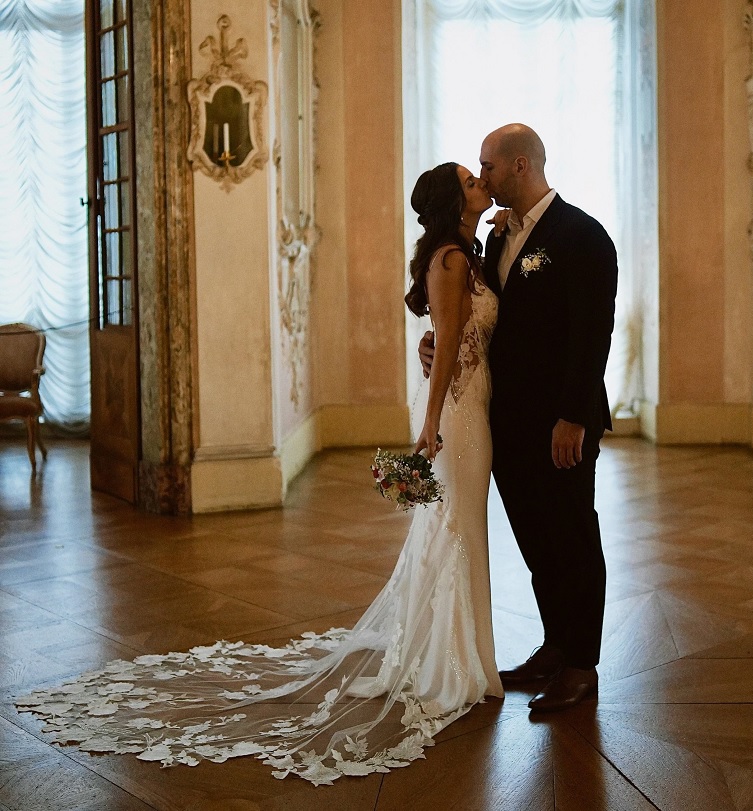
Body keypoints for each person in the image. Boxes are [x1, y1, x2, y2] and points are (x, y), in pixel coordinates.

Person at [16, 162, 503, 787]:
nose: (480, 183)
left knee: (456, 525)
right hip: (457, 413)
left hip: (471, 403)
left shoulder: (470, 252)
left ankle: (458, 655)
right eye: (470, 180)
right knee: (453, 524)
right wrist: (430, 423)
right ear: (451, 200)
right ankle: (449, 663)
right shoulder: (451, 260)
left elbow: (450, 336)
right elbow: (447, 345)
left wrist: (435, 357)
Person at [419, 123, 617, 712]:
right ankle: (557, 646)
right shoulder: (498, 238)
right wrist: (437, 345)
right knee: (536, 542)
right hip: (504, 423)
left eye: (490, 166)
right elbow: (479, 321)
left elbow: (592, 336)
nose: (483, 177)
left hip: (560, 425)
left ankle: (583, 666)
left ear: (521, 166)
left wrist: (571, 418)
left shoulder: (582, 235)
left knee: (573, 538)